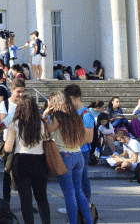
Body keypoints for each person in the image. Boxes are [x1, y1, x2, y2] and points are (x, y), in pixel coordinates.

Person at [45, 91, 93, 224]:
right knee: (79, 191)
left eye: (51, 102)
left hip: (64, 156)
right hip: (78, 155)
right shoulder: (75, 116)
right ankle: (88, 221)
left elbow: (47, 131)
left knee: (69, 193)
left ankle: (72, 222)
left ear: (57, 103)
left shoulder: (58, 116)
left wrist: (46, 113)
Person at [4, 96, 50, 224]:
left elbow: (8, 148)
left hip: (21, 162)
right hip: (39, 161)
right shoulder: (42, 124)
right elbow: (46, 141)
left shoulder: (14, 124)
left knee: (25, 200)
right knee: (42, 198)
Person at [64, 84, 94, 202]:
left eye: (69, 101)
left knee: (82, 180)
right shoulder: (74, 113)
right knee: (75, 181)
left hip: (81, 152)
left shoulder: (86, 115)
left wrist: (72, 145)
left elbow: (89, 138)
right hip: (75, 151)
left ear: (78, 99)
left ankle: (85, 205)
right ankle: (76, 205)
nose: (67, 103)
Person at [0, 78, 25, 204]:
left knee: (23, 175)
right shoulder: (5, 104)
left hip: (23, 143)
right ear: (11, 90)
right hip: (9, 142)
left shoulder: (25, 103)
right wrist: (16, 114)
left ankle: (25, 201)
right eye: (18, 92)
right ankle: (6, 201)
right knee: (7, 173)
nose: (21, 95)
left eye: (22, 92)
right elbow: (3, 123)